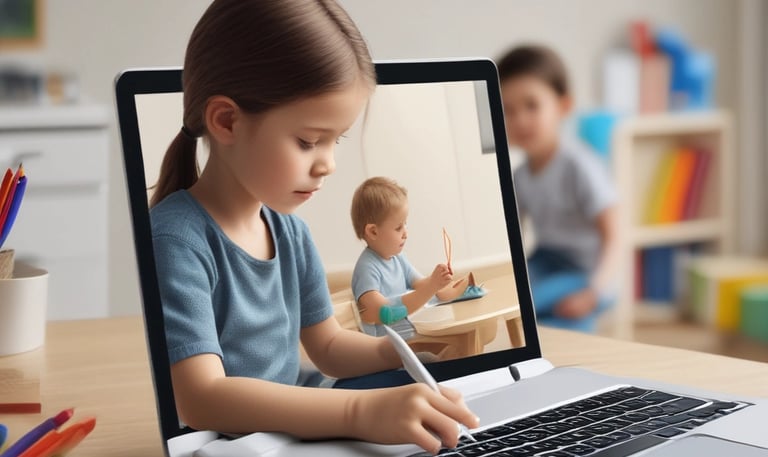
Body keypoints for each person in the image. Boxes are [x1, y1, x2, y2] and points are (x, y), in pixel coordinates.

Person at [148, 1, 478, 453]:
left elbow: (327, 346)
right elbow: (201, 397)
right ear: (226, 121)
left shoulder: (290, 233)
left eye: (335, 140)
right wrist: (359, 413)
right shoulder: (177, 238)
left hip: (294, 428)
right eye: (308, 141)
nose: (328, 164)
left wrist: (404, 355)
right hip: (230, 443)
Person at [497, 44, 619, 333]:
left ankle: (570, 323)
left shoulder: (579, 165)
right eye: (508, 110)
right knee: (512, 299)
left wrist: (596, 290)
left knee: (535, 305)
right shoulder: (522, 174)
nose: (520, 120)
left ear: (563, 106)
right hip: (547, 260)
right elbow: (513, 234)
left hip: (584, 270)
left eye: (531, 105)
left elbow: (614, 234)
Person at [349, 177, 469, 341]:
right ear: (373, 232)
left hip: (412, 334)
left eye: (405, 224)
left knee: (460, 333)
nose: (406, 233)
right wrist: (431, 287)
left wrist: (438, 281)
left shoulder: (398, 259)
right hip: (389, 349)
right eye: (398, 227)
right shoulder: (366, 268)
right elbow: (383, 313)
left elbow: (421, 285)